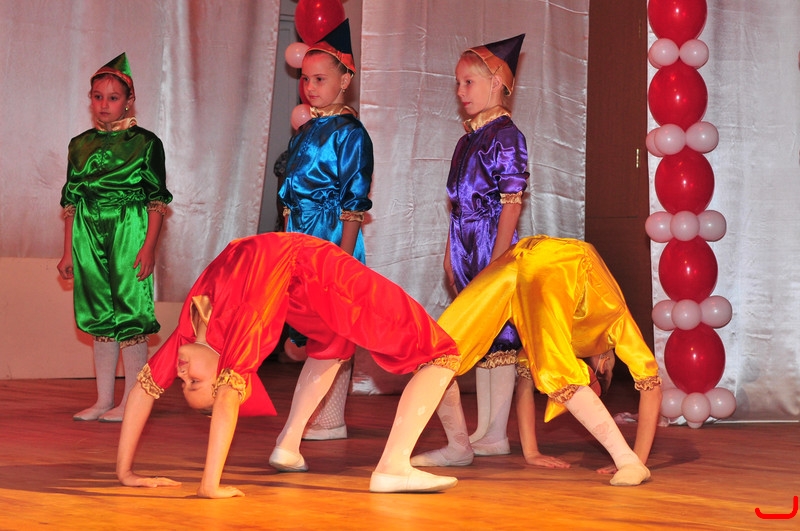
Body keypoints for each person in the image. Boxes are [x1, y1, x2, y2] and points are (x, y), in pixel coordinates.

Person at [115, 232, 461, 497]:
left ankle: (288, 445)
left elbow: (143, 390)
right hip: (318, 270)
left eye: (184, 383)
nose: (181, 374)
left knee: (332, 344)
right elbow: (228, 398)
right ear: (222, 377)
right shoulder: (241, 333)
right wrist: (209, 485)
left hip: (295, 281)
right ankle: (394, 467)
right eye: (194, 382)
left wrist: (125, 473)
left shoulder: (189, 336)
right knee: (440, 352)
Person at [412, 235, 663, 486]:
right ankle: (458, 448)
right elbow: (651, 385)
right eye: (594, 379)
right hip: (556, 262)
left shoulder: (556, 334)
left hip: (524, 261)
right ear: (604, 365)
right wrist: (639, 458)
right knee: (438, 350)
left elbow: (525, 382)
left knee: (441, 349)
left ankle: (628, 461)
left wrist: (531, 452)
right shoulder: (615, 320)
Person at [57, 53, 172, 423]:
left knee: (130, 312)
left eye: (113, 97)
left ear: (129, 100)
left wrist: (148, 246)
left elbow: (157, 200)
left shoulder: (146, 143)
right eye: (97, 96)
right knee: (99, 313)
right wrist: (68, 251)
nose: (104, 104)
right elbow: (71, 201)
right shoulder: (79, 144)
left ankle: (133, 401)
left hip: (128, 226)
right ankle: (104, 399)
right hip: (87, 230)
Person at [278, 19, 374, 441]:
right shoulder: (306, 132)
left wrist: (343, 258)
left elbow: (354, 201)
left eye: (320, 79)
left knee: (335, 324)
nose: (310, 87)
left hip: (332, 236)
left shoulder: (351, 134)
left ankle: (332, 417)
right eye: (305, 79)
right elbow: (290, 194)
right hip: (300, 235)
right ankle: (318, 412)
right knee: (309, 325)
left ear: (345, 80)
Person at [444, 34, 529, 457]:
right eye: (458, 83)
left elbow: (511, 203)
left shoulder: (507, 136)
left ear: (496, 82)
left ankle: (497, 430)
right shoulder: (466, 140)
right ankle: (484, 429)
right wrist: (450, 253)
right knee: (481, 334)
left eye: (469, 83)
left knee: (503, 332)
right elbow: (457, 206)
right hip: (465, 243)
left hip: (490, 241)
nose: (461, 92)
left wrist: (497, 259)